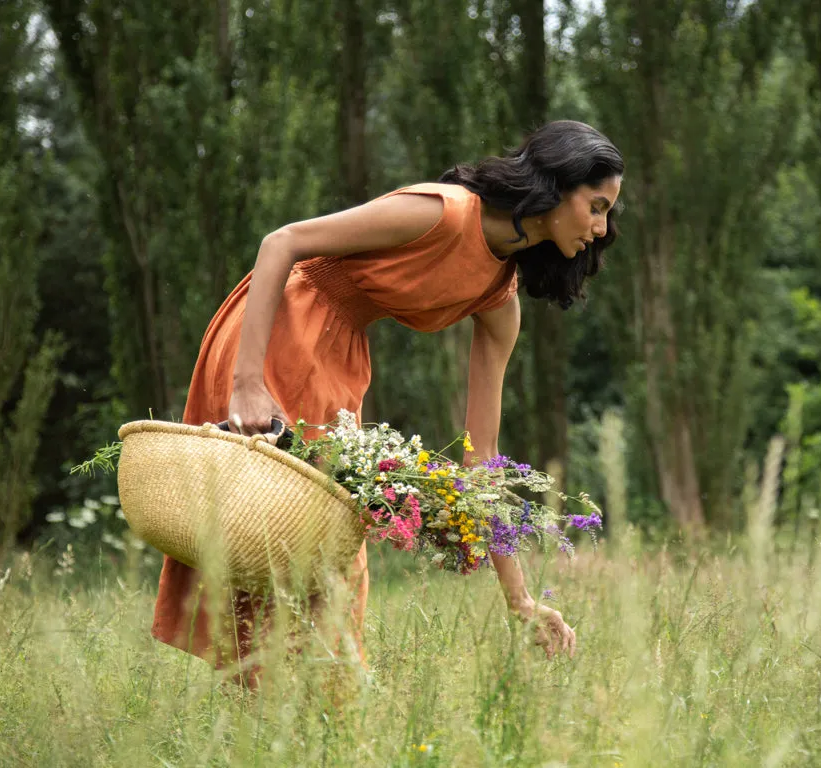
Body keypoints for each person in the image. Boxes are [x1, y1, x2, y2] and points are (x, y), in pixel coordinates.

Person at [150, 120, 624, 679]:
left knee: (318, 548)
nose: (601, 228)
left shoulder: (500, 303)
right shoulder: (444, 212)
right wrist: (247, 382)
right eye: (596, 207)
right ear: (555, 186)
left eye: (608, 213)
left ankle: (289, 714)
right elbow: (281, 242)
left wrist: (519, 600)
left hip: (340, 359)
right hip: (278, 328)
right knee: (289, 539)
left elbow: (482, 460)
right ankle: (287, 706)